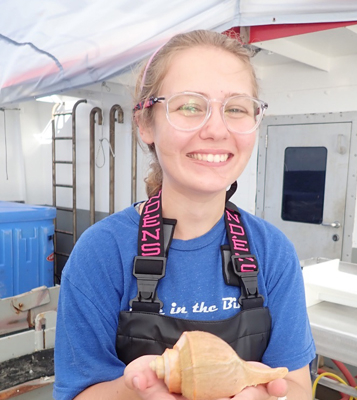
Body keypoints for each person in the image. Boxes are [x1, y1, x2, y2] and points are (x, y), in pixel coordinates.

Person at [53, 30, 315, 400]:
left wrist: (268, 395)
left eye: (236, 108)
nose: (216, 129)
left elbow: (298, 387)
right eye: (189, 106)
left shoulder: (272, 251)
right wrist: (133, 390)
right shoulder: (101, 253)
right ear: (145, 123)